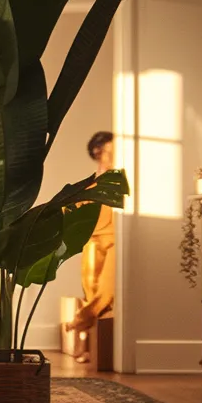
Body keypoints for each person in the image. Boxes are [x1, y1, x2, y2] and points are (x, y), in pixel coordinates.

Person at [65, 131, 119, 363]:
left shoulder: (124, 178)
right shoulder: (93, 183)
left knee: (105, 291)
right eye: (104, 150)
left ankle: (77, 324)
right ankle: (87, 346)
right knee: (91, 290)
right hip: (92, 242)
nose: (107, 154)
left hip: (116, 240)